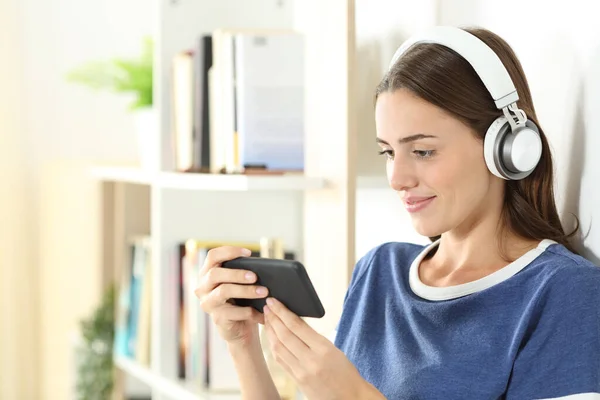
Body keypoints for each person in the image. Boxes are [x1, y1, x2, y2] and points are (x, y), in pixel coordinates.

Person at [194, 25, 600, 399]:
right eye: (388, 152)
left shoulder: (565, 294)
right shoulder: (378, 271)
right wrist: (242, 345)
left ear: (507, 147)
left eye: (422, 151)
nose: (397, 178)